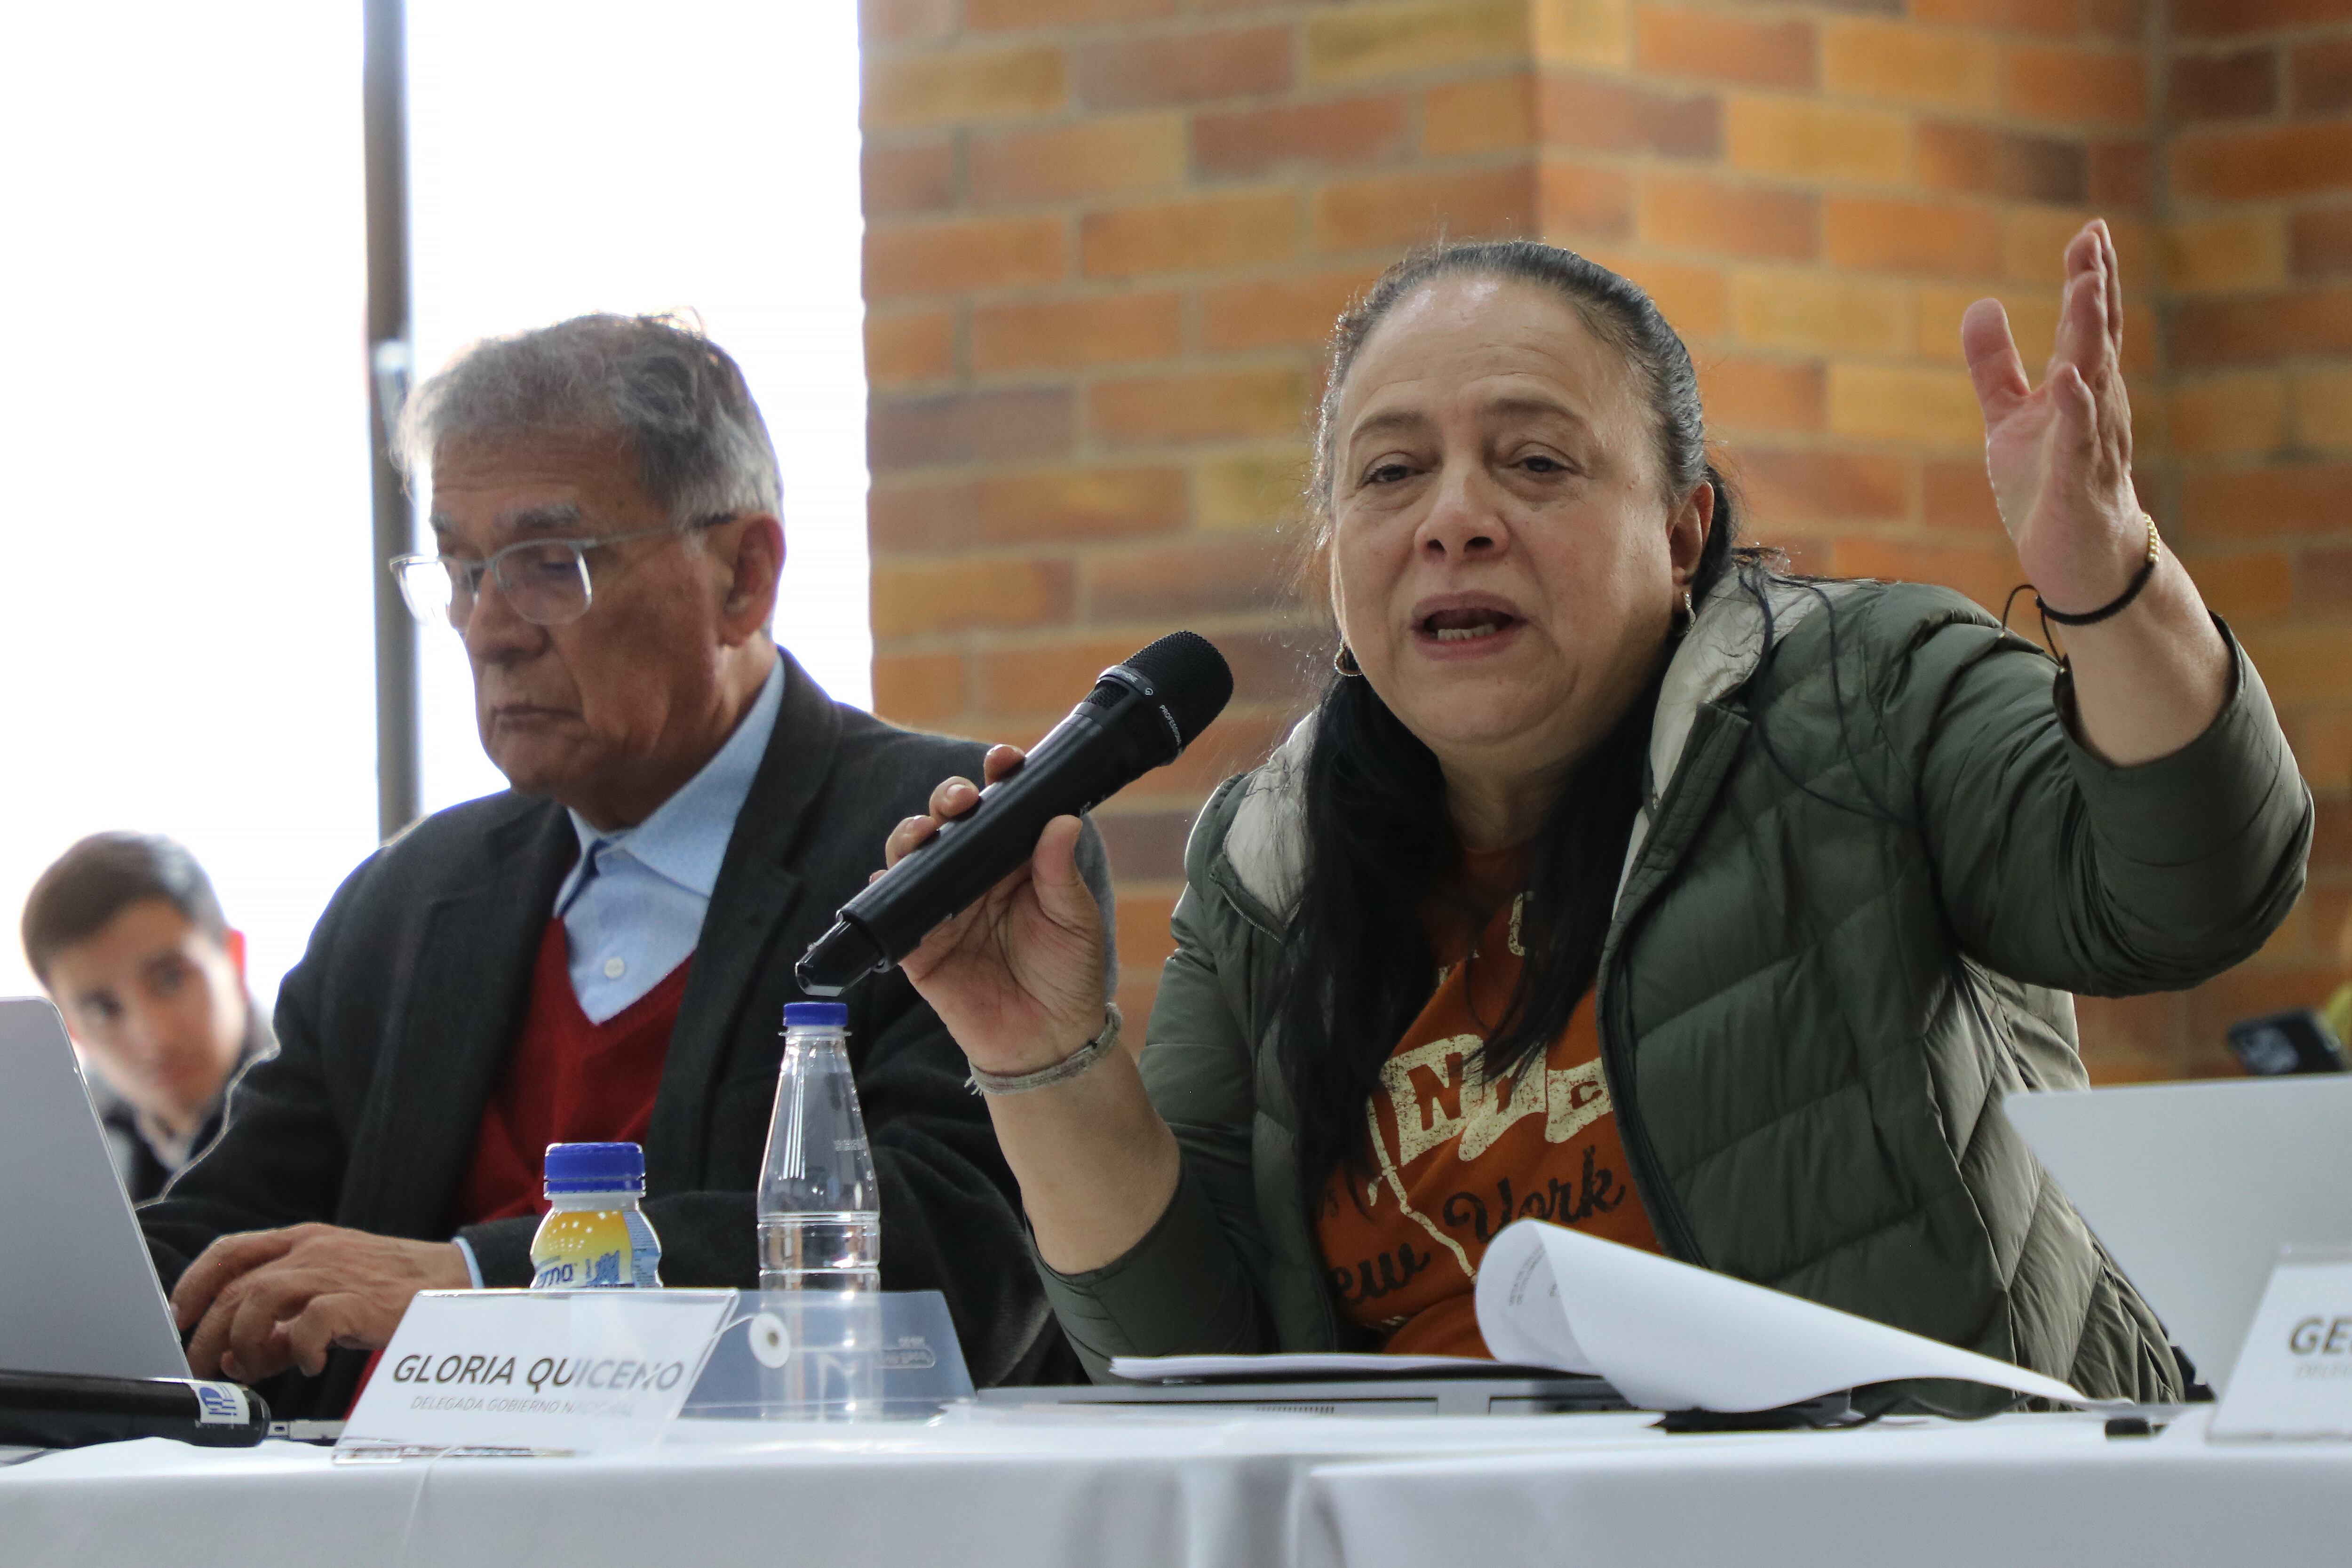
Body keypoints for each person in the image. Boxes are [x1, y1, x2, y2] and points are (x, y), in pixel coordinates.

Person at [886, 223, 2309, 1406]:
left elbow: (2196, 889)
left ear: (1683, 530)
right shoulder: (1270, 858)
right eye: (1390, 474)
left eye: (1535, 462)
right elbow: (1183, 1362)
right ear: (1335, 552)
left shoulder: (1868, 698)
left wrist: (2107, 581)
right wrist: (1044, 1051)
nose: (1454, 517)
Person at [141, 314, 1106, 1415]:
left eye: (548, 565)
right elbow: (212, 1247)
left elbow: (957, 1269)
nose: (489, 628)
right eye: (459, 568)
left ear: (743, 575)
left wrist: (469, 1285)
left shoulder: (944, 848)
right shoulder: (406, 901)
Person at [21, 833, 272, 1201]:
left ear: (234, 957)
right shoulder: (60, 1147)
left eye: (171, 979)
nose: (153, 1038)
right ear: (70, 1027)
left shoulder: (342, 1091)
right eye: (102, 1009)